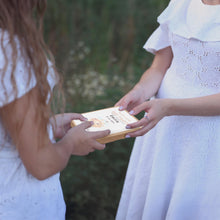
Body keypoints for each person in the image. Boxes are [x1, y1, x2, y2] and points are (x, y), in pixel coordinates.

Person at [0, 0, 110, 219]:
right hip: (18, 203)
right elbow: (41, 164)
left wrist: (45, 125)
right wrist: (70, 144)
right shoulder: (9, 52)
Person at [115, 0, 220, 219]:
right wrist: (140, 91)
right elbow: (159, 67)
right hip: (162, 127)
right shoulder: (183, 3)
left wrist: (170, 106)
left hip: (209, 137)